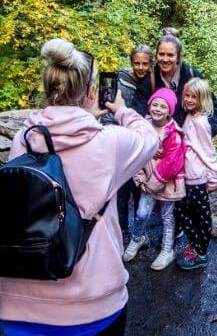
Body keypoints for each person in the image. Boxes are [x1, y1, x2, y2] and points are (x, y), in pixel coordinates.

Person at [0, 38, 158, 334]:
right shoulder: (109, 142)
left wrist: (84, 117)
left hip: (16, 302)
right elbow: (149, 138)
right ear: (90, 91)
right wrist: (121, 110)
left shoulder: (25, 136)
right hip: (91, 305)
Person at [123, 88, 186, 271]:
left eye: (163, 106)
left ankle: (167, 251)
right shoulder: (142, 126)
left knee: (167, 217)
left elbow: (171, 163)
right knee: (141, 213)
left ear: (170, 111)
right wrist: (141, 178)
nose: (158, 109)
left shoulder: (173, 134)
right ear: (149, 105)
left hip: (166, 183)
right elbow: (135, 153)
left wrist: (152, 184)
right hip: (146, 181)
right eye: (155, 104)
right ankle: (138, 239)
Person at [175, 78, 217, 270]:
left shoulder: (201, 121)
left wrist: (213, 178)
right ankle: (196, 245)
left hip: (197, 178)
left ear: (202, 99)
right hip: (188, 176)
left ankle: (201, 253)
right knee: (187, 213)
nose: (189, 99)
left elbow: (208, 152)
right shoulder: (189, 116)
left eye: (194, 96)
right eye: (187, 95)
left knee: (199, 216)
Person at [115, 45, 155, 244]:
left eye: (145, 64)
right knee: (121, 191)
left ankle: (140, 233)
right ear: (131, 63)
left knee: (140, 189)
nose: (140, 67)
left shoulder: (154, 82)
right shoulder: (120, 78)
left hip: (142, 142)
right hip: (122, 141)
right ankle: (122, 231)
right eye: (137, 63)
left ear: (151, 64)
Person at [153, 29, 217, 136]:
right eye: (161, 54)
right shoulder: (151, 79)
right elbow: (140, 111)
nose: (165, 59)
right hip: (161, 142)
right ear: (156, 55)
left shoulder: (192, 75)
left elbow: (211, 108)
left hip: (191, 142)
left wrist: (206, 132)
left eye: (170, 55)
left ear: (178, 57)